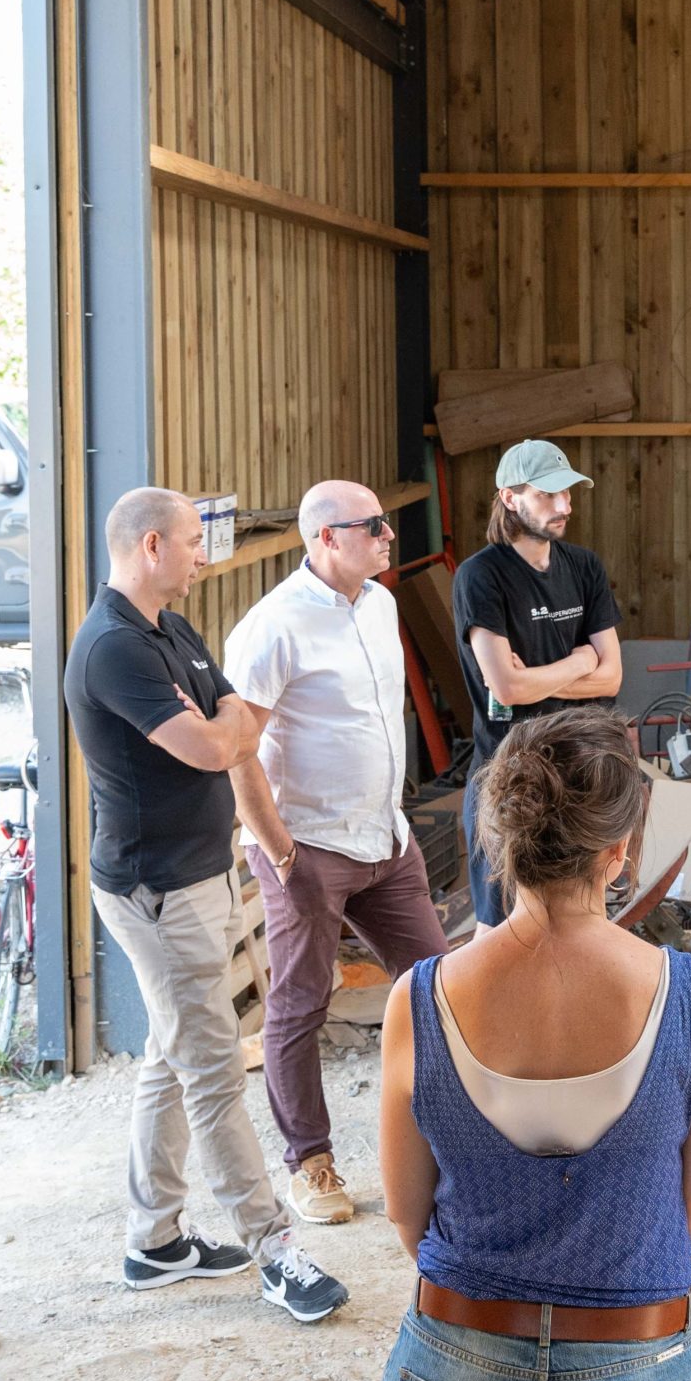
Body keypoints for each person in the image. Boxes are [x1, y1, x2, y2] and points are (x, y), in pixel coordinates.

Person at [372, 706, 691, 1381]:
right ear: (619, 851)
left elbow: (406, 1215)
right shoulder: (690, 998)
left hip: (455, 1360)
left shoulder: (417, 999)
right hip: (637, 1366)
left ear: (501, 836)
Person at [63, 486, 349, 1321]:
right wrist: (225, 726)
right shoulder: (114, 648)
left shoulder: (169, 630)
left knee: (174, 1051)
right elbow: (215, 742)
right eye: (192, 541)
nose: (202, 554)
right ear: (150, 545)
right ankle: (275, 1248)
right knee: (214, 1067)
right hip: (157, 890)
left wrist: (227, 726)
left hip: (201, 874)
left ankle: (154, 1240)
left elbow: (239, 725)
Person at [227, 480, 448, 1225]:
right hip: (310, 847)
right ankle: (311, 1165)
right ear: (326, 539)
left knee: (440, 990)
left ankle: (455, 1144)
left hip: (386, 838)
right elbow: (237, 753)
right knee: (299, 1005)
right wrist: (282, 855)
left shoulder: (380, 605)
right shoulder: (272, 627)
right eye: (374, 527)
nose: (390, 536)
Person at [452, 440, 624, 923]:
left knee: (579, 925)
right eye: (547, 495)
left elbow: (611, 677)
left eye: (567, 494)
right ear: (510, 498)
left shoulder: (584, 566)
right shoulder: (480, 577)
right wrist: (580, 660)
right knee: (501, 929)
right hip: (509, 779)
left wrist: (534, 676)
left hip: (580, 772)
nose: (564, 506)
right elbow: (507, 691)